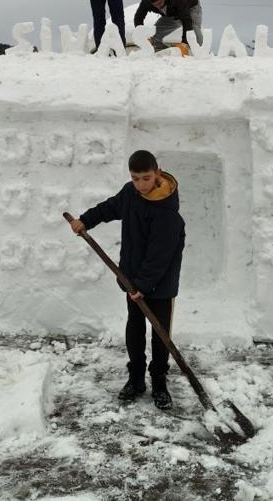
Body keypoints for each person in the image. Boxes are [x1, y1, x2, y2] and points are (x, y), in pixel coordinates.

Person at [70, 150, 186, 409]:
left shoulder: (167, 213)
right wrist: (85, 220)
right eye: (135, 178)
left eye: (145, 178)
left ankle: (158, 382)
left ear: (157, 173)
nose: (140, 184)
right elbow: (111, 207)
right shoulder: (131, 194)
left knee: (160, 334)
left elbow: (159, 257)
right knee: (134, 329)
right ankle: (136, 379)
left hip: (160, 284)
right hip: (133, 279)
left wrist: (142, 286)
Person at [134, 0, 202, 51]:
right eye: (155, 5)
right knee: (153, 33)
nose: (158, 7)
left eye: (159, 3)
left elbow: (186, 20)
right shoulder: (146, 0)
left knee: (193, 32)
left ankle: (199, 52)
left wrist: (184, 43)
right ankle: (157, 46)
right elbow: (138, 17)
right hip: (171, 12)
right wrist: (141, 35)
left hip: (190, 6)